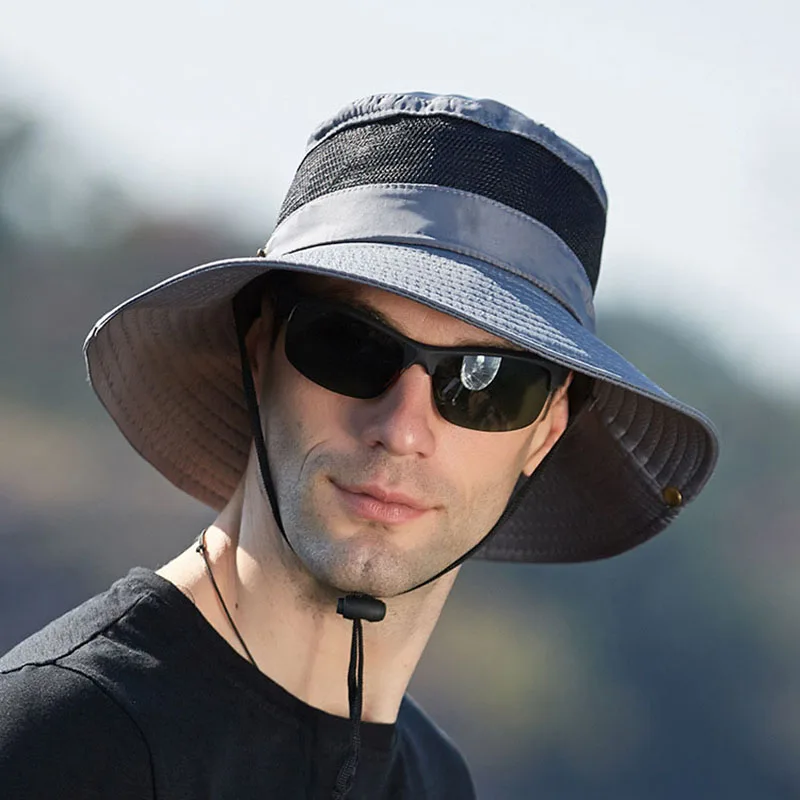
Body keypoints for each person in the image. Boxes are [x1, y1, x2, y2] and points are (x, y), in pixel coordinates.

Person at [0, 92, 718, 799]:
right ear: (260, 351)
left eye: (486, 380)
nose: (401, 429)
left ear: (544, 433)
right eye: (350, 345)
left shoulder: (438, 782)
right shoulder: (60, 743)